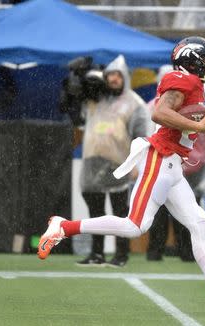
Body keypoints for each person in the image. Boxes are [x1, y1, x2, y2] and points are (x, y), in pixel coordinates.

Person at [38, 36, 205, 312]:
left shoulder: (192, 84)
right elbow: (159, 113)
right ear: (190, 61)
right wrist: (200, 128)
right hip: (160, 160)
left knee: (200, 224)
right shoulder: (183, 81)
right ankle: (64, 226)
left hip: (172, 166)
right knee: (135, 226)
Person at [60, 55, 150, 267]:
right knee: (95, 214)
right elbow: (77, 111)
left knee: (120, 215)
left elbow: (143, 136)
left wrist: (138, 165)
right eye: (110, 75)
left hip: (119, 165)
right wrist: (76, 77)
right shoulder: (96, 99)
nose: (113, 79)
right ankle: (96, 253)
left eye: (118, 75)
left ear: (124, 77)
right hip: (92, 163)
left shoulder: (134, 103)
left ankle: (121, 255)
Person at [146, 65, 205, 262]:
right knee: (152, 215)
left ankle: (187, 252)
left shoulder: (197, 103)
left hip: (192, 165)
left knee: (192, 215)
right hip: (166, 160)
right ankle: (156, 250)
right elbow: (148, 134)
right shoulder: (153, 107)